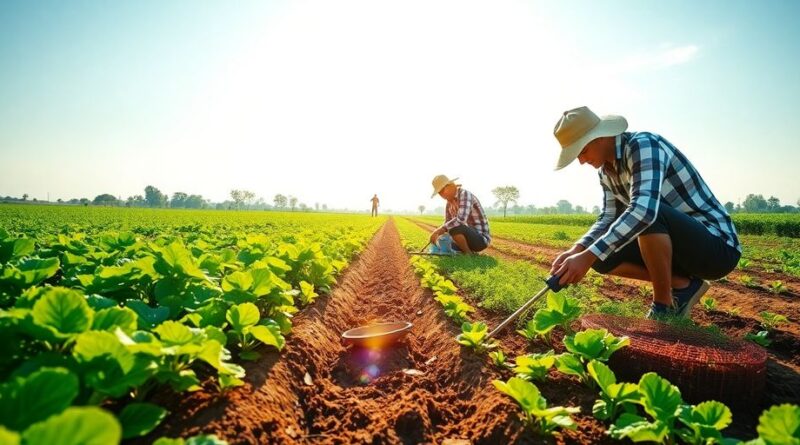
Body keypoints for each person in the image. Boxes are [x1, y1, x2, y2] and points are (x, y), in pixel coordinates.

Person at [548, 106, 741, 319]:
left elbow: (644, 211)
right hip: (677, 249)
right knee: (601, 257)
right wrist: (578, 251)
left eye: (582, 151)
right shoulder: (606, 171)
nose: (581, 161)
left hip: (716, 248)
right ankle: (684, 286)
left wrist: (588, 255)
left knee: (647, 213)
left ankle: (663, 307)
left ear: (600, 137)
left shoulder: (644, 145)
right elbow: (608, 217)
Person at [429, 174, 491, 254]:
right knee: (443, 242)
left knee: (454, 228)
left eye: (442, 191)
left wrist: (440, 230)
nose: (442, 195)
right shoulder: (449, 203)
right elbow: (447, 222)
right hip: (466, 237)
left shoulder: (464, 194)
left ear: (450, 185)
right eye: (439, 193)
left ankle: (468, 254)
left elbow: (461, 220)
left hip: (480, 239)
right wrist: (437, 235)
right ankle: (464, 250)